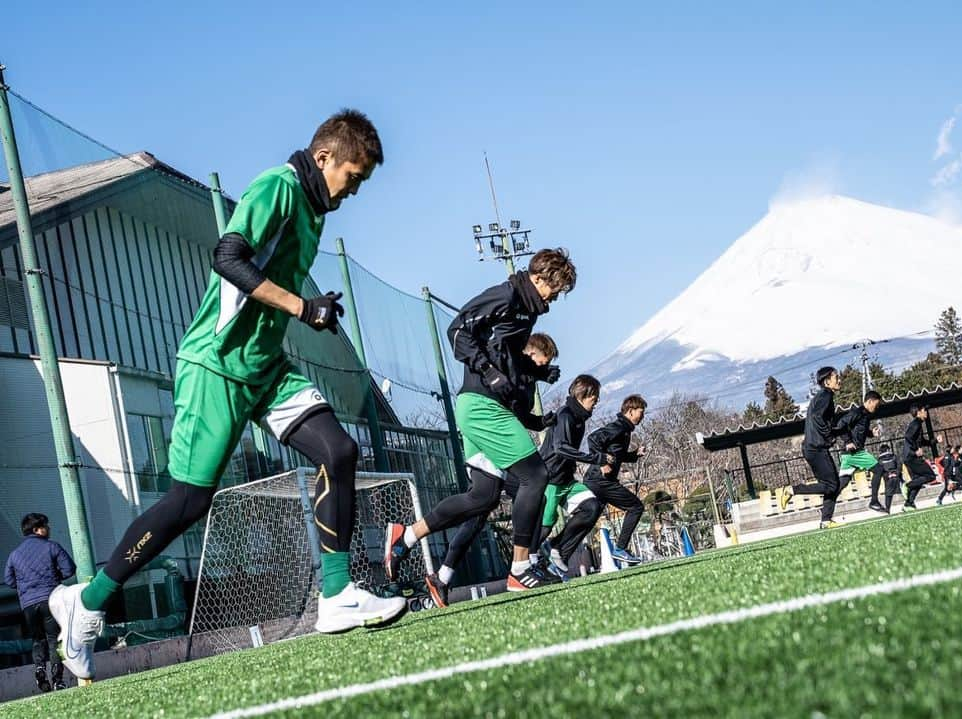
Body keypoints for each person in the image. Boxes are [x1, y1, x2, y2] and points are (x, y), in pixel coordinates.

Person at [50, 111, 405, 682]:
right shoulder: (278, 188)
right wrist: (300, 307)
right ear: (323, 159)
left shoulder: (312, 211)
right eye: (353, 176)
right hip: (215, 367)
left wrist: (310, 311)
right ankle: (86, 602)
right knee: (188, 505)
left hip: (265, 369)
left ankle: (337, 595)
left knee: (339, 452)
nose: (354, 190)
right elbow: (227, 257)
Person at [385, 249, 577, 592]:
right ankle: (520, 567)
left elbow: (506, 356)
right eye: (555, 288)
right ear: (538, 278)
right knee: (536, 476)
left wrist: (537, 371)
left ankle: (406, 537)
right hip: (482, 406)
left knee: (483, 498)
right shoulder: (506, 295)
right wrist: (488, 372)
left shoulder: (525, 312)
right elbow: (457, 330)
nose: (555, 297)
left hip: (484, 407)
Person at [423, 333, 562, 607]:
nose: (542, 369)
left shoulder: (526, 377)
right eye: (541, 363)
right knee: (490, 499)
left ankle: (445, 575)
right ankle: (523, 566)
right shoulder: (507, 364)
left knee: (508, 498)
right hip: (486, 437)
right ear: (530, 353)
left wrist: (538, 421)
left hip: (496, 438)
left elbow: (518, 412)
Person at [538, 374, 612, 578]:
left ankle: (557, 547)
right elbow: (560, 448)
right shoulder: (566, 415)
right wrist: (595, 459)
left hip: (566, 481)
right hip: (550, 480)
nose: (596, 403)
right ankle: (525, 569)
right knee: (544, 527)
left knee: (592, 507)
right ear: (581, 396)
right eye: (593, 399)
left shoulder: (579, 418)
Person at [5, 514, 74, 692]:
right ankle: (58, 680)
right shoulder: (52, 547)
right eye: (46, 526)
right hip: (51, 599)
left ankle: (39, 669)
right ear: (37, 529)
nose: (49, 528)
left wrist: (25, 586)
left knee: (37, 640)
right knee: (53, 639)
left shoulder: (14, 555)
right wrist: (54, 578)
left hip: (28, 604)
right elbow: (69, 569)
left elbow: (9, 580)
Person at [583, 394, 649, 563]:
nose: (642, 417)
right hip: (601, 480)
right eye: (641, 413)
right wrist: (602, 462)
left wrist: (634, 455)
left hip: (597, 480)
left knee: (588, 519)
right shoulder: (619, 427)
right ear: (630, 411)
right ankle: (620, 549)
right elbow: (593, 439)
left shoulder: (625, 430)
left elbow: (617, 454)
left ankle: (558, 549)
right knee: (635, 507)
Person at [779, 367, 846, 529]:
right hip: (816, 448)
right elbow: (817, 418)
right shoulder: (826, 395)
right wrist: (828, 435)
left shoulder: (823, 396)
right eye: (836, 377)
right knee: (831, 485)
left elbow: (823, 421)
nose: (839, 380)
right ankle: (792, 490)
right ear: (827, 381)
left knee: (832, 485)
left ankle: (826, 520)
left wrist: (837, 432)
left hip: (814, 447)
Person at [833, 391, 884, 511]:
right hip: (855, 452)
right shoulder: (858, 412)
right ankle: (874, 501)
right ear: (870, 401)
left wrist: (871, 433)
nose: (877, 407)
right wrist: (847, 441)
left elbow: (860, 431)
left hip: (847, 455)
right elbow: (840, 424)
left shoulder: (865, 416)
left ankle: (826, 506)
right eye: (876, 405)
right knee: (879, 469)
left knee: (843, 482)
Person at [899, 405, 937, 510]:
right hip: (912, 456)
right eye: (925, 410)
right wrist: (915, 450)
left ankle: (909, 504)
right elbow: (908, 436)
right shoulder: (915, 423)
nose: (926, 413)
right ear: (919, 412)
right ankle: (907, 485)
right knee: (930, 476)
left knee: (919, 481)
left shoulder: (918, 424)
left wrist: (935, 441)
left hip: (910, 457)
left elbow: (923, 441)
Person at [876, 443, 903, 513]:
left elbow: (879, 471)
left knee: (888, 494)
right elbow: (900, 465)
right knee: (904, 490)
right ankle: (909, 503)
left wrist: (888, 474)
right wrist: (896, 473)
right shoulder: (894, 456)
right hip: (897, 477)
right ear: (888, 449)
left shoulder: (879, 460)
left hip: (887, 478)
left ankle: (887, 509)